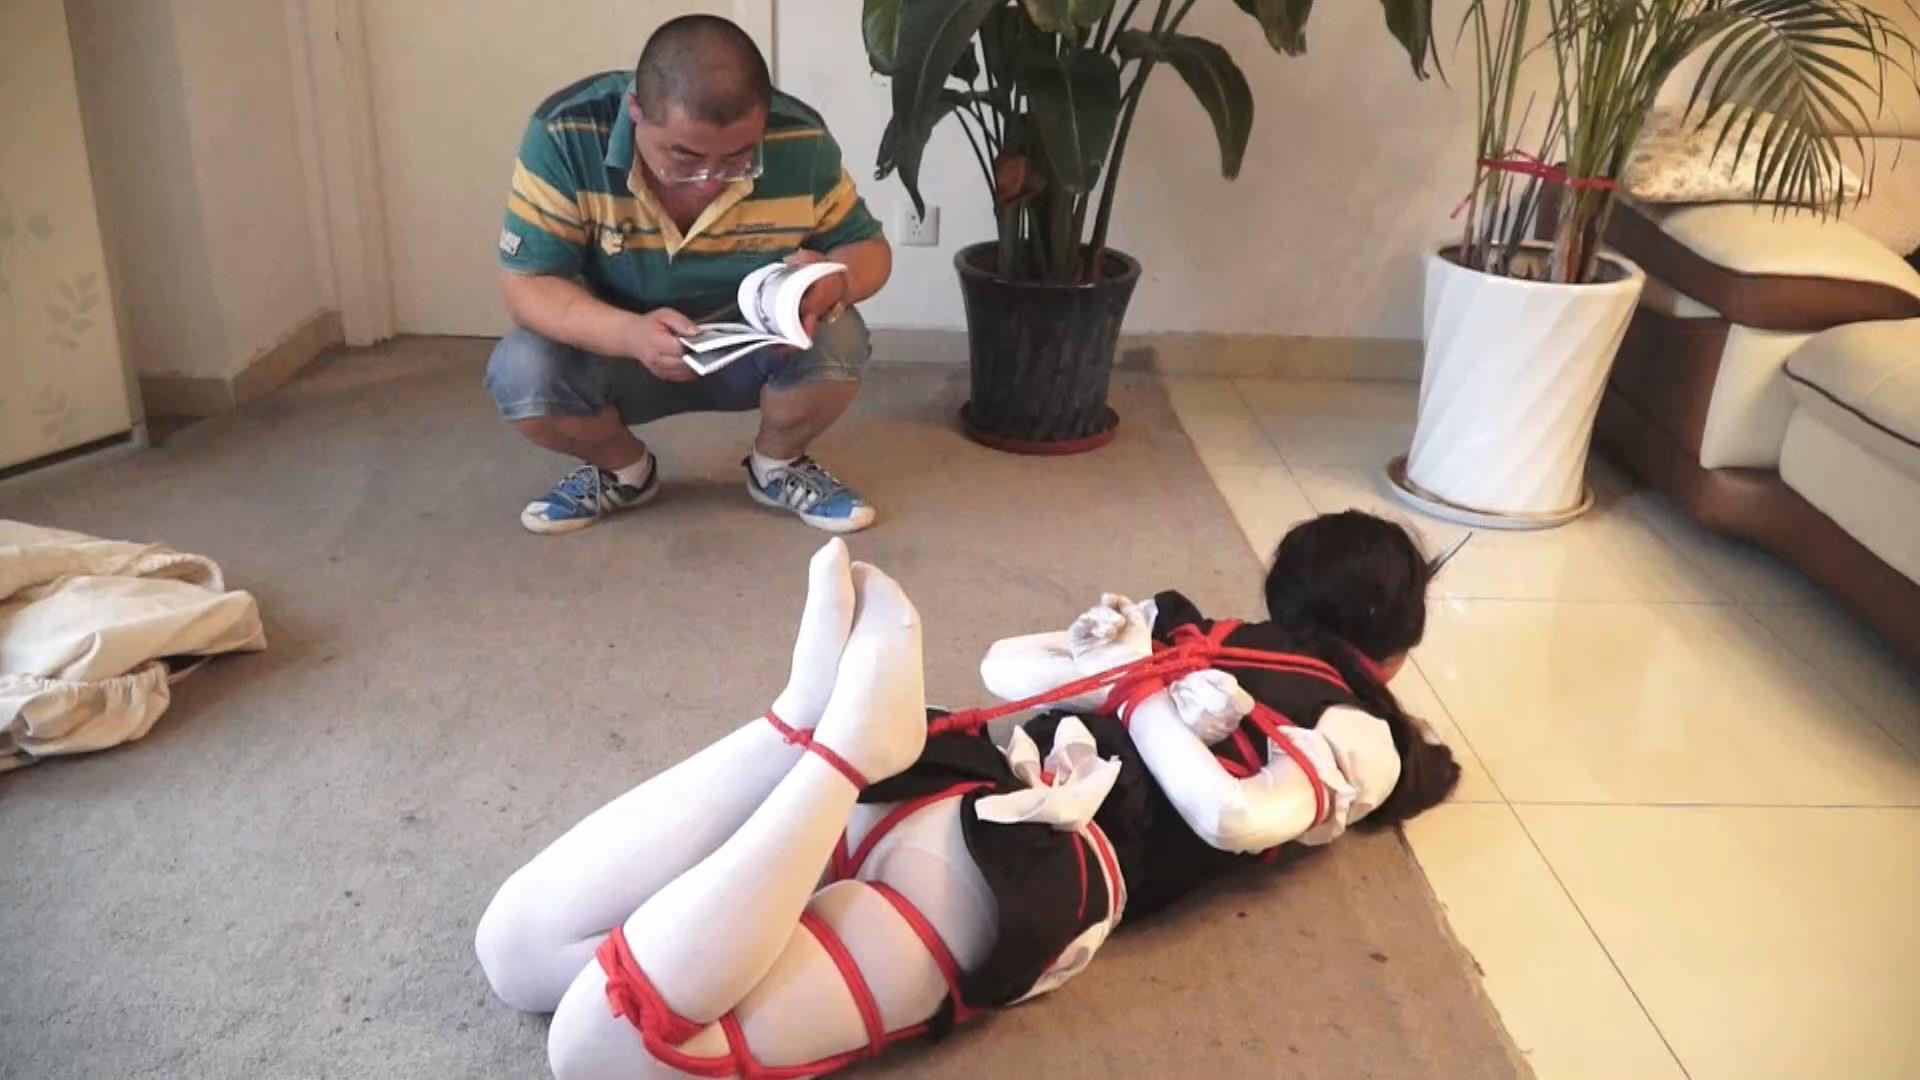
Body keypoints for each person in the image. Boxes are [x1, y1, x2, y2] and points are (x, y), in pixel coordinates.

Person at [475, 512, 1461, 1078]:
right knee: (602, 1051)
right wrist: (1125, 673)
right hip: (1008, 870)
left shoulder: (1206, 640)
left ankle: (806, 726)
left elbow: (1224, 808)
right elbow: (1220, 812)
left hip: (966, 786)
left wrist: (1130, 682)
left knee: (521, 953)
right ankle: (824, 738)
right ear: (1399, 649)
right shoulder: (1343, 723)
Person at [484, 15, 893, 536]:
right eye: (684, 157)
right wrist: (630, 334)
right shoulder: (565, 133)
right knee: (521, 371)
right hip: (620, 348)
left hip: (755, 346)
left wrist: (837, 281)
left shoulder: (800, 137)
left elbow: (869, 248)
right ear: (635, 111)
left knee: (841, 334)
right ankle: (623, 471)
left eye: (738, 157)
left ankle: (778, 465)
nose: (709, 183)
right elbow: (526, 286)